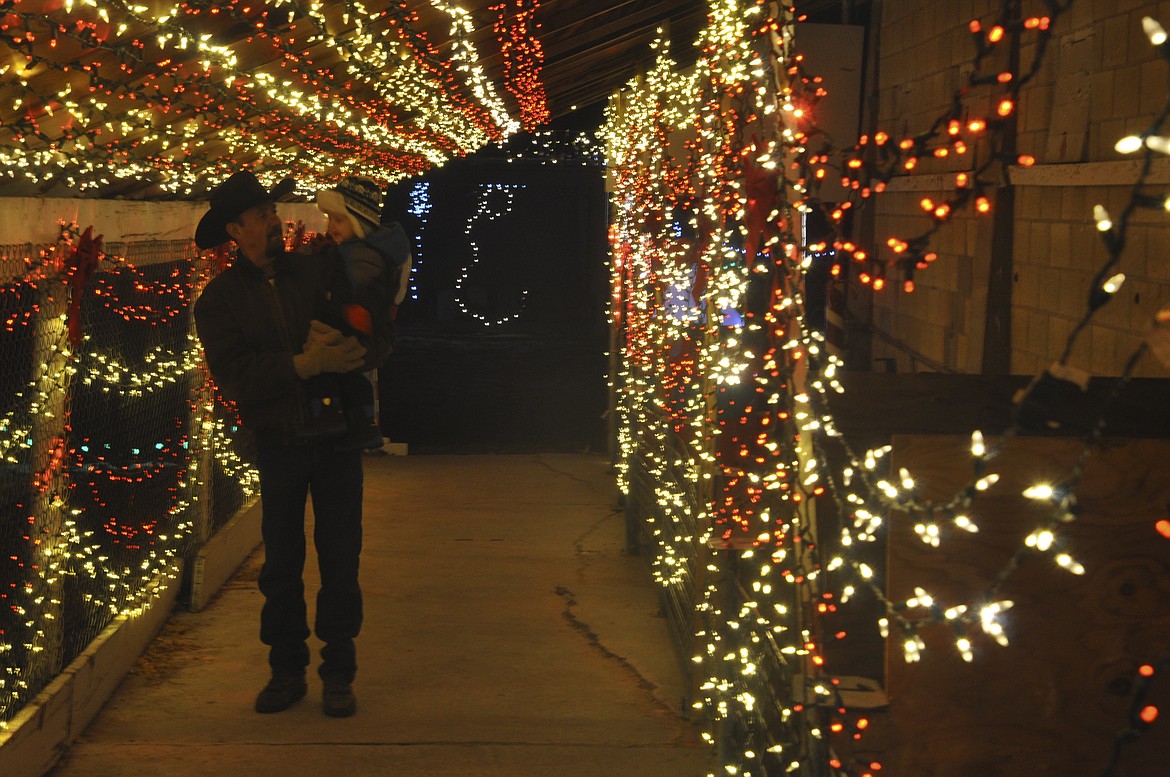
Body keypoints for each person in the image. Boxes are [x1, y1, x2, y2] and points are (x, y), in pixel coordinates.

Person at [192, 170, 393, 718]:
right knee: (281, 561)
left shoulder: (316, 271)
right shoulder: (220, 300)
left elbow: (374, 323)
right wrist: (304, 364)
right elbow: (233, 374)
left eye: (272, 211)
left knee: (340, 556)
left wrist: (361, 353)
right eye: (260, 215)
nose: (274, 221)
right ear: (235, 230)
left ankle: (338, 671)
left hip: (337, 440)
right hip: (278, 442)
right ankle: (286, 670)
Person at [310, 176, 411, 450]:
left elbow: (364, 300)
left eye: (339, 220)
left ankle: (342, 422)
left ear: (359, 221)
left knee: (329, 376)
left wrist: (335, 307)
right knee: (343, 380)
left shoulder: (363, 257)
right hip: (355, 328)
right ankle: (355, 422)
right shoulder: (354, 251)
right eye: (330, 219)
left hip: (352, 330)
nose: (332, 227)